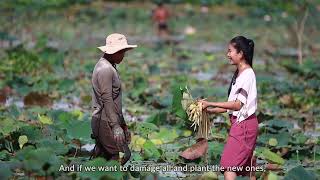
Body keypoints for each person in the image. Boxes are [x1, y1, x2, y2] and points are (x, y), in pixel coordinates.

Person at [199, 36, 258, 180]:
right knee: (247, 169)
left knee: (228, 166)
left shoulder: (247, 75)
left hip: (243, 126)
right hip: (243, 125)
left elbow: (237, 105)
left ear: (241, 53)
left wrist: (210, 103)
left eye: (230, 51)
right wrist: (208, 110)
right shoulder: (239, 74)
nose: (227, 54)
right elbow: (229, 106)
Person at [91, 33, 137, 165]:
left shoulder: (109, 66)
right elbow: (107, 99)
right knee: (119, 155)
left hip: (108, 119)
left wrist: (122, 124)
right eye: (121, 52)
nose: (123, 55)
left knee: (102, 159)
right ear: (113, 52)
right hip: (104, 120)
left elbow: (115, 100)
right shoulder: (105, 69)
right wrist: (116, 126)